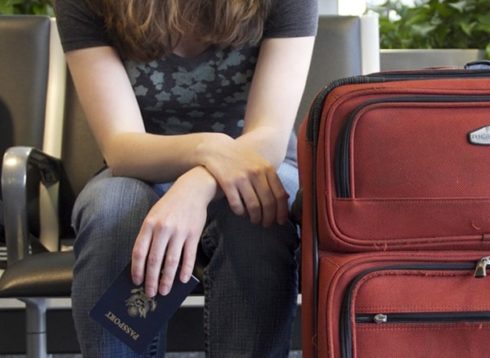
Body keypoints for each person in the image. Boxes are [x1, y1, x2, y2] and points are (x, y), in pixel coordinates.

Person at [53, 0, 317, 356]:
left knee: (257, 213)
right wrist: (211, 150)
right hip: (144, 168)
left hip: (259, 162)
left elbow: (267, 136)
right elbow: (121, 145)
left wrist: (196, 185)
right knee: (112, 209)